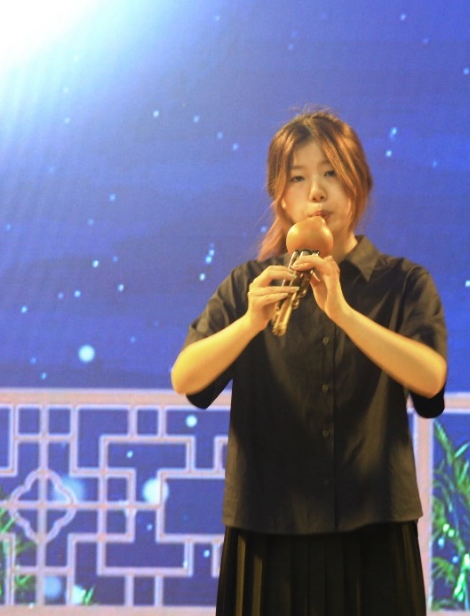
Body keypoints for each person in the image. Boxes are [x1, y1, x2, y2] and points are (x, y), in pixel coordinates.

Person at [171, 108, 448, 616]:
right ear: (281, 197)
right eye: (298, 178)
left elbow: (430, 379)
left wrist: (343, 313)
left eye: (331, 173)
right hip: (268, 532)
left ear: (358, 184)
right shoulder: (251, 284)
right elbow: (186, 377)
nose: (316, 193)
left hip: (374, 531)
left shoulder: (404, 283)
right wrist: (251, 322)